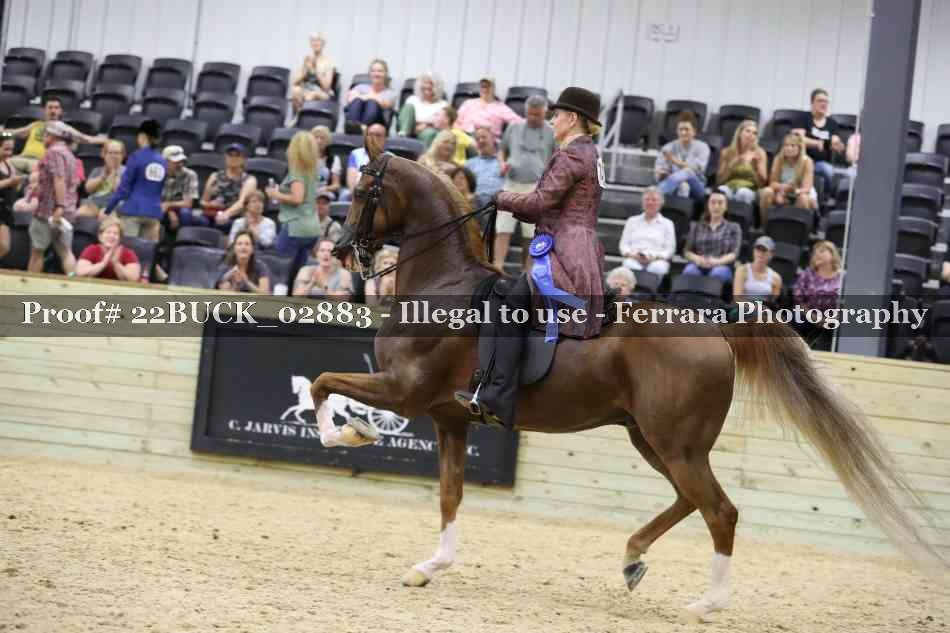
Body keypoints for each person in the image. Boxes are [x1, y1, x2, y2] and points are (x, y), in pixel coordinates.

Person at [454, 87, 605, 429]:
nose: (552, 121)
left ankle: (497, 396)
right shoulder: (590, 153)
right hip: (581, 245)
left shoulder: (572, 155)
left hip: (565, 249)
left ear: (572, 118)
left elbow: (539, 203)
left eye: (557, 115)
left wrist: (500, 197)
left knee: (510, 304)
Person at [494, 95, 556, 269]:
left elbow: (556, 157)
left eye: (538, 115)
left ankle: (526, 272)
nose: (533, 118)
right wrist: (502, 163)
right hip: (511, 184)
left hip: (535, 187)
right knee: (502, 229)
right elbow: (502, 151)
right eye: (530, 114)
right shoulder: (514, 127)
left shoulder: (552, 131)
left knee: (530, 234)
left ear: (545, 113)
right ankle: (497, 268)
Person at [3, 97, 107, 175]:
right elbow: (14, 133)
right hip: (21, 159)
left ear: (60, 111)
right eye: (50, 108)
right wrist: (2, 133)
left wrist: (106, 141)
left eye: (56, 108)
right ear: (45, 110)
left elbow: (86, 139)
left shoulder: (65, 129)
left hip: (40, 163)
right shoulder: (36, 125)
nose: (53, 110)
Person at [27, 121, 79, 274]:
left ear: (52, 136)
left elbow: (59, 178)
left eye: (46, 134)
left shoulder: (54, 152)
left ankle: (30, 284)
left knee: (37, 252)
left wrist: (60, 206)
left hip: (49, 211)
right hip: (66, 211)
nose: (44, 137)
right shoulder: (69, 154)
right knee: (66, 252)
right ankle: (74, 282)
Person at [269, 131, 321, 282]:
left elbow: (297, 198)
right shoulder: (312, 171)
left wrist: (276, 194)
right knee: (297, 276)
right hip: (312, 228)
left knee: (279, 272)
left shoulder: (297, 171)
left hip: (295, 226)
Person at [104, 119, 167, 242]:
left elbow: (124, 188)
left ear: (143, 137)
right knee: (147, 251)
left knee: (129, 249)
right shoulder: (163, 161)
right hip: (154, 213)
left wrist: (108, 209)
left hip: (133, 210)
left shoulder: (136, 156)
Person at [793, 240, 843, 350]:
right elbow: (799, 300)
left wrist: (830, 319)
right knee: (796, 318)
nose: (817, 255)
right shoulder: (808, 273)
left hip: (834, 318)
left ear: (832, 254)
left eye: (822, 251)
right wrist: (813, 317)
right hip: (809, 316)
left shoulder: (842, 276)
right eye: (815, 253)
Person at [682, 191, 741, 283]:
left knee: (717, 273)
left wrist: (717, 261)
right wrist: (697, 259)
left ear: (726, 206)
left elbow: (734, 253)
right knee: (690, 271)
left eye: (720, 203)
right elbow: (687, 251)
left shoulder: (734, 227)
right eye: (713, 202)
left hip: (722, 265)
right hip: (699, 264)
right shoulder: (696, 226)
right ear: (708, 205)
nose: (716, 206)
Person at [793, 88, 844, 193]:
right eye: (820, 101)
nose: (824, 104)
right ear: (812, 103)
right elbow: (797, 139)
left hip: (822, 162)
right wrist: (816, 143)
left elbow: (835, 141)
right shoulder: (803, 118)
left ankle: (830, 196)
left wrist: (838, 145)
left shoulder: (832, 123)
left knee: (833, 171)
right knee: (827, 169)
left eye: (826, 102)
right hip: (803, 160)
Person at [758, 133, 817, 223]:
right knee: (767, 192)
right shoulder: (778, 159)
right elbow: (772, 183)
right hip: (782, 191)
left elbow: (806, 188)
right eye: (786, 145)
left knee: (803, 198)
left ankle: (796, 228)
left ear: (800, 148)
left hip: (800, 192)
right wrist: (782, 190)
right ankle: (766, 226)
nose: (788, 148)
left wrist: (792, 190)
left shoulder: (807, 161)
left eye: (792, 145)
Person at [618, 186, 676, 279]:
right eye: (647, 199)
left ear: (661, 203)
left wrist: (656, 257)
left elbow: (670, 249)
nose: (650, 202)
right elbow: (623, 245)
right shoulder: (631, 221)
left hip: (657, 260)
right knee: (629, 265)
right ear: (642, 202)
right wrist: (632, 255)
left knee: (658, 268)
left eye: (654, 200)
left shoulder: (668, 223)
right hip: (634, 258)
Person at [654, 112, 710, 201]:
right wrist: (662, 174)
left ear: (694, 131)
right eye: (680, 129)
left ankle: (657, 194)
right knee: (683, 186)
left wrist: (674, 161)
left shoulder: (703, 147)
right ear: (677, 131)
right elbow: (658, 173)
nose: (683, 132)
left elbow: (695, 169)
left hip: (697, 187)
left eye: (687, 129)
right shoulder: (668, 147)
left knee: (687, 172)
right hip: (672, 186)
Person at [200, 143, 257, 230]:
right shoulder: (214, 176)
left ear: (243, 160)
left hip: (234, 216)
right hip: (212, 213)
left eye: (237, 155)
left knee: (224, 223)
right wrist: (210, 204)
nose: (233, 158)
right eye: (230, 155)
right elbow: (203, 201)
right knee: (198, 221)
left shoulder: (249, 179)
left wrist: (226, 214)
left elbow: (241, 204)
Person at [716, 120, 767, 205]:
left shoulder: (759, 153)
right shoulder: (727, 152)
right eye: (748, 131)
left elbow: (761, 184)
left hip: (750, 189)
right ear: (739, 134)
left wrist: (755, 168)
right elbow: (719, 181)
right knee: (722, 190)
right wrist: (731, 165)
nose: (751, 135)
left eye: (754, 133)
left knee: (743, 193)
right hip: (729, 187)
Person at [75, 217, 141, 282]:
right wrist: (103, 264)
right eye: (108, 232)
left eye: (115, 233)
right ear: (100, 237)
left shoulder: (128, 253)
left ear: (120, 238)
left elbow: (134, 279)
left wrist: (116, 263)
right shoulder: (92, 249)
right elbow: (79, 273)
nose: (111, 236)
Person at [455, 77, 523, 139]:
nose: (485, 89)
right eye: (483, 87)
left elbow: (518, 121)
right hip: (464, 137)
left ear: (493, 89)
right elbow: (456, 121)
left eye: (488, 87)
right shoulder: (468, 103)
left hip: (486, 139)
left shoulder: (501, 108)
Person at [76, 140, 125, 218]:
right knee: (79, 214)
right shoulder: (97, 170)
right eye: (110, 152)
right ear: (104, 155)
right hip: (94, 203)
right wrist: (102, 177)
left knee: (104, 216)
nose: (113, 156)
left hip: (115, 205)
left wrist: (114, 172)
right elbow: (88, 190)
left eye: (116, 153)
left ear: (122, 155)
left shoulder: (127, 171)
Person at [344, 59, 398, 128]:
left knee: (372, 103)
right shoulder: (360, 87)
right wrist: (372, 97)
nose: (376, 74)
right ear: (370, 73)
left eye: (380, 71)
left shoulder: (390, 93)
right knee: (357, 101)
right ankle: (354, 127)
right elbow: (350, 99)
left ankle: (362, 128)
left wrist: (363, 96)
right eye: (373, 71)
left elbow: (385, 104)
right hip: (356, 121)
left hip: (377, 125)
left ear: (385, 74)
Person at [397, 72, 449, 144]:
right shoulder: (412, 99)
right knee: (408, 107)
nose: (427, 86)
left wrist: (425, 125)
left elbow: (440, 124)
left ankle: (425, 151)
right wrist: (427, 122)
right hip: (410, 130)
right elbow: (405, 119)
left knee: (429, 133)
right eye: (425, 83)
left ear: (437, 87)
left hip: (427, 132)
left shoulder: (443, 104)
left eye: (431, 83)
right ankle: (403, 139)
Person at [291, 33, 336, 111]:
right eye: (313, 41)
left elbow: (327, 88)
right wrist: (305, 70)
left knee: (310, 96)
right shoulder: (307, 59)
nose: (315, 43)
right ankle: (298, 115)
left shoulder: (328, 62)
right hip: (306, 88)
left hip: (321, 92)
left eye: (318, 41)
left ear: (323, 43)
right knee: (295, 90)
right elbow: (295, 82)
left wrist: (315, 70)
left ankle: (304, 116)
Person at [160, 145, 200, 229]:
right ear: (165, 161)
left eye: (181, 161)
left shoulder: (190, 175)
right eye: (176, 162)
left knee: (185, 213)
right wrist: (170, 211)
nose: (180, 164)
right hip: (161, 206)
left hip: (180, 208)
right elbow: (152, 198)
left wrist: (168, 205)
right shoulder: (158, 173)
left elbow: (188, 203)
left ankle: (184, 236)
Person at [733, 235, 781, 304]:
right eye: (758, 249)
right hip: (743, 307)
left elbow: (773, 302)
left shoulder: (776, 278)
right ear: (753, 251)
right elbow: (737, 299)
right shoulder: (742, 270)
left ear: (771, 253)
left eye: (764, 250)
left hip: (765, 307)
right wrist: (757, 307)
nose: (760, 253)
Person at [0, 133, 25, 260]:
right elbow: (8, 182)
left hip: (4, 209)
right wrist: (10, 181)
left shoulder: (8, 164)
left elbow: (16, 188)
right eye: (6, 149)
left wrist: (17, 183)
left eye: (11, 150)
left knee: (4, 247)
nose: (9, 153)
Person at [465, 126, 504, 208]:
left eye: (484, 137)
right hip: (477, 207)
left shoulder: (503, 161)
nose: (481, 140)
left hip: (501, 205)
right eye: (477, 139)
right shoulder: (469, 164)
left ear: (493, 139)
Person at [345, 123, 388, 194]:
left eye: (378, 135)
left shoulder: (392, 158)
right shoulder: (355, 154)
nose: (373, 138)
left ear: (385, 138)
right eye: (370, 134)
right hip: (358, 193)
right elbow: (351, 183)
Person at [310, 125, 342, 200]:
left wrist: (321, 190)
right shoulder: (304, 157)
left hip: (325, 193)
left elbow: (336, 185)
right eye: (316, 137)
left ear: (328, 142)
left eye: (322, 138)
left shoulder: (334, 159)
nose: (319, 141)